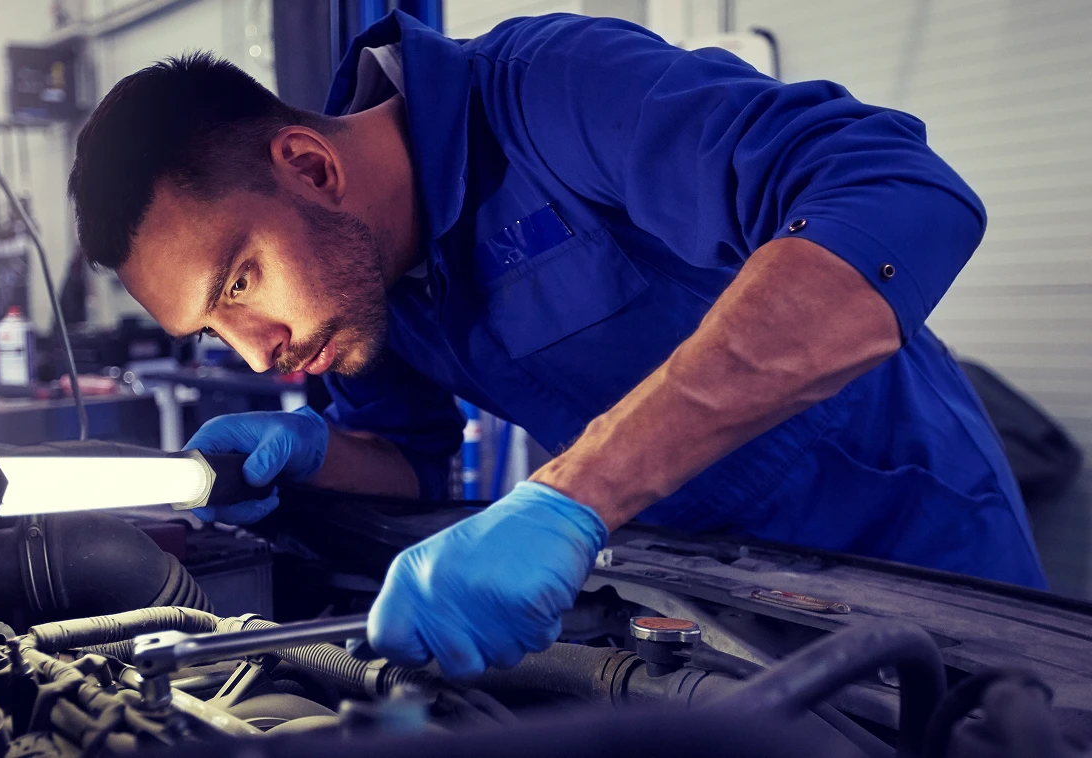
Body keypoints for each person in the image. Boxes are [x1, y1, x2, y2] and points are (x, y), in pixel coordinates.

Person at [66, 11, 1047, 679]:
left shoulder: (555, 93)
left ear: (311, 165)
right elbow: (412, 457)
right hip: (701, 603)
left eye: (238, 282)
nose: (254, 349)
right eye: (212, 325)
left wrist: (574, 494)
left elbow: (900, 196)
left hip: (924, 565)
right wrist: (317, 452)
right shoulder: (360, 289)